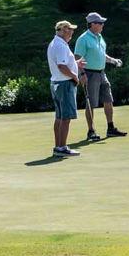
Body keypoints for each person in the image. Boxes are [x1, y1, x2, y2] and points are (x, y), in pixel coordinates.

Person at [72, 11, 127, 143]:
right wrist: (82, 74)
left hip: (102, 73)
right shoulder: (83, 39)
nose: (103, 25)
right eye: (100, 23)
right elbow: (77, 57)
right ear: (92, 24)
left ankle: (110, 128)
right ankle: (91, 131)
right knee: (91, 103)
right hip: (89, 74)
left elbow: (102, 54)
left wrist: (113, 60)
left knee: (108, 99)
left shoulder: (99, 37)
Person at [47, 20, 85, 159]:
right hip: (65, 84)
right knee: (66, 117)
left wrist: (75, 63)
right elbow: (62, 67)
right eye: (70, 29)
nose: (72, 32)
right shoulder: (60, 45)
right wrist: (75, 76)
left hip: (57, 83)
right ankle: (62, 148)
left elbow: (63, 63)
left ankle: (58, 147)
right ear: (63, 30)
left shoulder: (56, 43)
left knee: (60, 117)